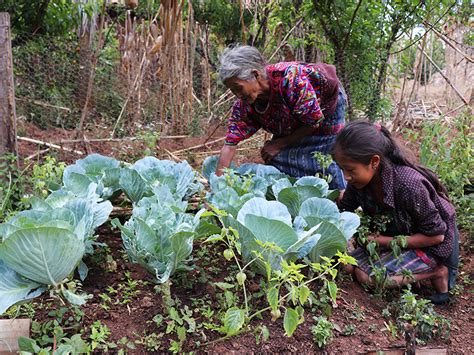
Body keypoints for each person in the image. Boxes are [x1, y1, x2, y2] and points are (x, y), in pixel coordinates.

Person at [332, 120, 459, 304]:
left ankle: (437, 272)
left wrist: (382, 241)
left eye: (350, 169)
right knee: (347, 266)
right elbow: (344, 209)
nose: (346, 176)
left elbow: (437, 236)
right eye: (342, 169)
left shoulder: (408, 184)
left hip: (430, 244)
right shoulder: (358, 182)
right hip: (399, 234)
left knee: (367, 277)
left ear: (374, 162)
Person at [215, 44, 347, 191]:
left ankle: (342, 201)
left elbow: (314, 122)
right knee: (276, 159)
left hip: (326, 109)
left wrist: (279, 144)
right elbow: (229, 145)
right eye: (232, 90)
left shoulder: (291, 80)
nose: (238, 95)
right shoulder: (244, 105)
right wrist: (217, 191)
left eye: (238, 87)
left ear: (256, 75)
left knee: (328, 158)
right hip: (298, 118)